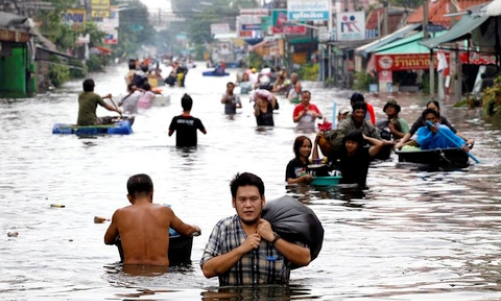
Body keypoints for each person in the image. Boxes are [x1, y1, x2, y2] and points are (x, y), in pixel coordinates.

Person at [200, 172, 311, 286]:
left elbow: (305, 258)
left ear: (263, 200)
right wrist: (241, 250)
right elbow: (207, 270)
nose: (248, 205)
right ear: (234, 202)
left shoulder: (281, 226)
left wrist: (273, 238)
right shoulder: (223, 228)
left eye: (253, 199)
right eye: (242, 200)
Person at [104, 174, 201, 267]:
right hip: (160, 273)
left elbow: (108, 240)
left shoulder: (120, 214)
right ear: (151, 193)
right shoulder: (164, 211)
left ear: (129, 197)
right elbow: (187, 231)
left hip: (131, 274)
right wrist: (196, 228)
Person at [395, 100, 474, 149]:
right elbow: (413, 134)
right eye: (428, 119)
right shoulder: (421, 130)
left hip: (442, 145)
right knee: (415, 142)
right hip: (424, 146)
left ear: (437, 118)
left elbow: (455, 136)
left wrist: (464, 143)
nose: (431, 120)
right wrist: (402, 142)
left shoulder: (444, 128)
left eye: (433, 118)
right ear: (424, 120)